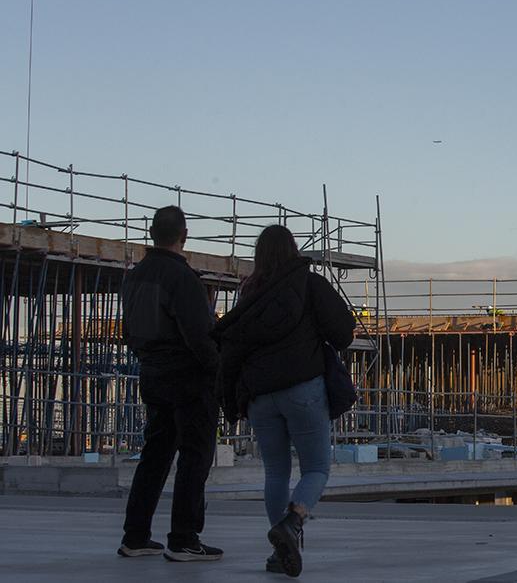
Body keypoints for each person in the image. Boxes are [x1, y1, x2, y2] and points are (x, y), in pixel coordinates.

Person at [213, 225, 354, 577]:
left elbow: (232, 350)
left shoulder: (248, 294)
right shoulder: (310, 284)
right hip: (303, 389)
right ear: (293, 250)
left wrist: (231, 401)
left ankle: (280, 552)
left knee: (275, 472)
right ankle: (292, 524)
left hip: (261, 396)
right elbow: (343, 331)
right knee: (317, 468)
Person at [119, 205, 223, 562]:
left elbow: (128, 330)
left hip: (152, 372)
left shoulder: (134, 277)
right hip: (188, 376)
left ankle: (135, 535)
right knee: (195, 455)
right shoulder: (183, 279)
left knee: (155, 454)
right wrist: (218, 372)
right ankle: (183, 537)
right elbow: (199, 335)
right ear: (184, 236)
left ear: (152, 233)